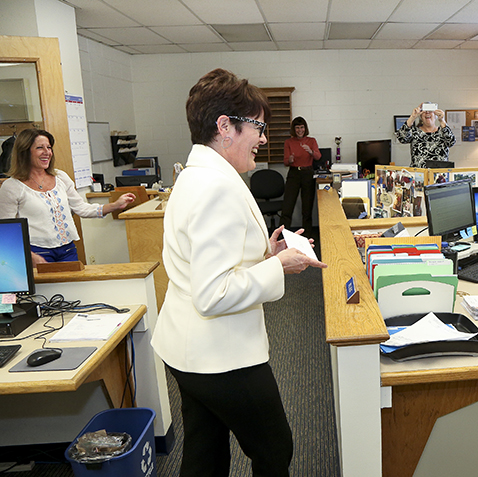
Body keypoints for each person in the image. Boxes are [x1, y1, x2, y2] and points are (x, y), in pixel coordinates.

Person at [150, 68, 327, 477]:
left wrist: (267, 250)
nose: (265, 138)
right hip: (219, 354)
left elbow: (204, 259)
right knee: (274, 448)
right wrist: (278, 265)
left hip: (186, 347)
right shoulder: (216, 187)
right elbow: (212, 294)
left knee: (205, 452)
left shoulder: (198, 177)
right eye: (259, 127)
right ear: (224, 126)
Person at [0, 128, 135, 265]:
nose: (47, 152)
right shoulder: (12, 186)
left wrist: (115, 205)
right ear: (24, 152)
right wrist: (30, 257)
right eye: (40, 148)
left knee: (72, 286)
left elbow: (82, 208)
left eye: (49, 147)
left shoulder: (60, 177)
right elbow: (7, 231)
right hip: (36, 252)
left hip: (67, 250)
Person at [280, 117, 320, 236]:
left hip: (308, 173)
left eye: (302, 127)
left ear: (305, 128)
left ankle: (307, 237)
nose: (300, 130)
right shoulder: (289, 142)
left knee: (307, 208)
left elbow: (318, 156)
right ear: (294, 129)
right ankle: (283, 236)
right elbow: (286, 162)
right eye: (297, 128)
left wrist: (311, 152)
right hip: (294, 174)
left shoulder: (311, 141)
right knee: (288, 206)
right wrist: (290, 159)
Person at [396, 102, 456, 168]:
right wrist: (412, 117)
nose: (427, 112)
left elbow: (451, 142)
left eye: (430, 110)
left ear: (435, 114)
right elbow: (401, 138)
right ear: (421, 116)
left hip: (439, 175)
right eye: (425, 111)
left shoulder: (443, 131)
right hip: (419, 175)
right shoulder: (415, 131)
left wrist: (442, 121)